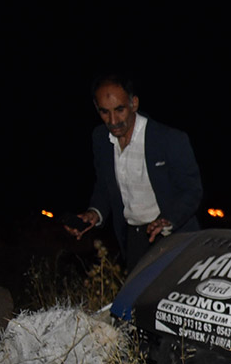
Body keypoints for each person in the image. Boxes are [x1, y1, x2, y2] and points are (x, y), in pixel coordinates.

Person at [67, 73, 202, 270]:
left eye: (120, 110)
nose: (113, 120)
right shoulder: (100, 138)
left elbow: (192, 190)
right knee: (138, 298)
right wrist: (94, 213)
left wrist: (168, 219)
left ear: (134, 104)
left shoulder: (169, 140)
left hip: (172, 234)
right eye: (105, 112)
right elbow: (105, 186)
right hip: (135, 238)